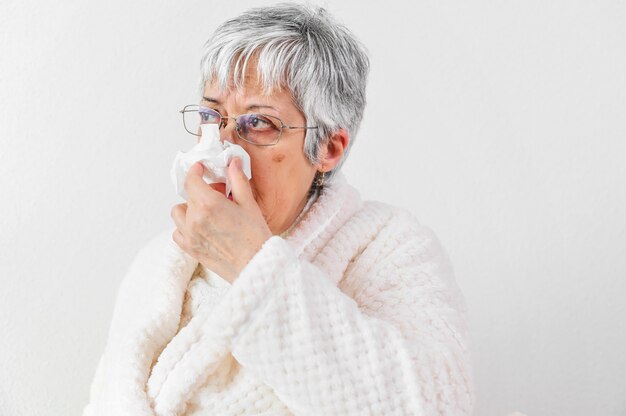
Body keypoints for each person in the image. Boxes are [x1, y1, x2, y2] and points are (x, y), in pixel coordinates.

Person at [83, 3, 474, 415]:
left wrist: (251, 265)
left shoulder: (391, 250)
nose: (220, 148)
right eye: (211, 116)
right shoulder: (158, 262)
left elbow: (436, 406)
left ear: (328, 148)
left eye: (258, 123)